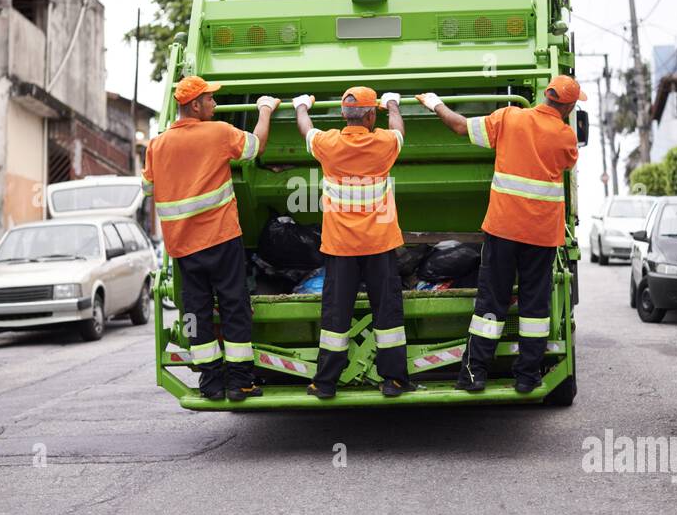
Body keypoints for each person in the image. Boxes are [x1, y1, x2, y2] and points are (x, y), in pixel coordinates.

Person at [417, 76, 583, 394]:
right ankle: (527, 376)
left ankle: (474, 374)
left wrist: (435, 103)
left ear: (546, 96)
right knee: (535, 305)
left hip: (504, 228)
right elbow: (565, 163)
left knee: (492, 301)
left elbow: (459, 127)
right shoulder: (565, 137)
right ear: (569, 105)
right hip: (541, 235)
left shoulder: (509, 118)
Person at [142, 76, 280, 401]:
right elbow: (255, 147)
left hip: (182, 246)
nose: (215, 105)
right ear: (194, 105)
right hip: (220, 237)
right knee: (234, 306)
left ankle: (210, 383)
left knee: (196, 311)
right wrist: (265, 110)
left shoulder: (157, 145)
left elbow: (148, 188)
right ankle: (240, 382)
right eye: (210, 100)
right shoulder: (217, 133)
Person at [293, 86, 411, 399]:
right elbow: (399, 131)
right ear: (372, 115)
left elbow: (306, 129)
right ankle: (394, 380)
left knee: (335, 315)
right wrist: (393, 105)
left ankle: (326, 382)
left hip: (340, 247)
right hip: (379, 244)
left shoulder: (328, 143)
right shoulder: (383, 143)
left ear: (344, 115)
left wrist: (302, 105)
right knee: (387, 313)